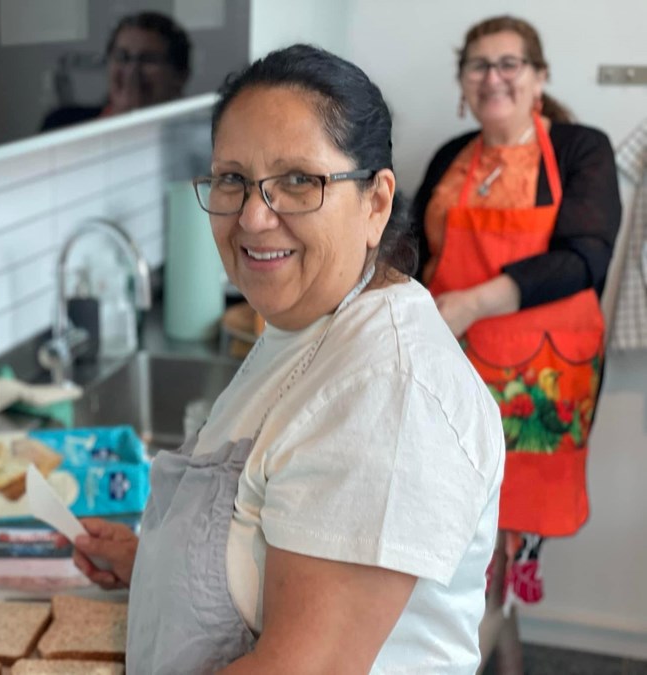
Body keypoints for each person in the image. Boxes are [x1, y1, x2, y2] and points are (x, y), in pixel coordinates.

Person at [68, 44, 504, 673]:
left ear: (376, 202)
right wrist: (152, 566)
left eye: (299, 181)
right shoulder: (305, 325)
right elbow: (264, 538)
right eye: (233, 179)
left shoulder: (389, 392)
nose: (252, 216)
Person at [411, 15, 621, 673]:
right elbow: (416, 252)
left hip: (540, 376)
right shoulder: (452, 156)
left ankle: (477, 652)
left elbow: (585, 256)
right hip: (453, 367)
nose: (493, 77)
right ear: (462, 82)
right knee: (463, 522)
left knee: (508, 525)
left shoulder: (582, 149)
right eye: (478, 65)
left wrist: (471, 302)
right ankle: (503, 652)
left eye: (509, 63)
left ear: (538, 77)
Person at [41, 11, 191, 131]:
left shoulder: (195, 139)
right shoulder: (61, 124)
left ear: (180, 75)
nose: (132, 71)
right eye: (122, 57)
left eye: (148, 59)